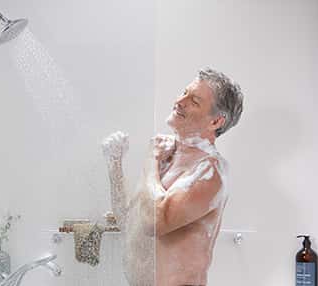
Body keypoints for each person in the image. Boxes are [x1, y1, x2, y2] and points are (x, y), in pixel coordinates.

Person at [102, 67, 244, 286]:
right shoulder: (166, 156)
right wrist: (114, 165)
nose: (180, 101)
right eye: (184, 92)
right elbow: (130, 222)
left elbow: (155, 223)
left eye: (194, 101)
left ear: (216, 122)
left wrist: (151, 159)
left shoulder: (210, 171)